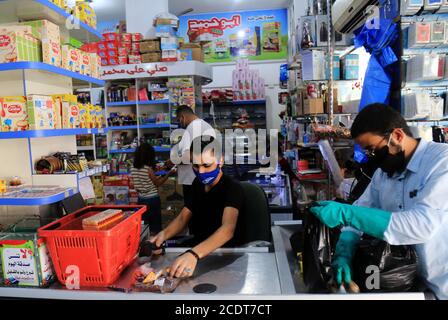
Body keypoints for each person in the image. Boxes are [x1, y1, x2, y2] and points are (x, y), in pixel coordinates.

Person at [310, 103, 448, 299]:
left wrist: (346, 213)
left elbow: (421, 225)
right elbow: (361, 210)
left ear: (397, 136)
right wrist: (344, 250)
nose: (371, 158)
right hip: (412, 284)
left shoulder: (441, 163)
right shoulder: (384, 173)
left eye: (373, 150)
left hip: (443, 285)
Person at [151, 136, 245, 278]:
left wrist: (194, 254)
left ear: (221, 161)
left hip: (225, 254)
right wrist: (162, 236)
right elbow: (183, 217)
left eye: (206, 165)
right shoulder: (197, 184)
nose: (201, 172)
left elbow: (227, 230)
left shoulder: (233, 188)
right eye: (196, 165)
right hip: (199, 250)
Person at [170, 105, 216, 200]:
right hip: (205, 177)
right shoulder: (206, 126)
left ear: (183, 117)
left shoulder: (191, 129)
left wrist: (174, 161)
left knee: (192, 209)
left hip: (192, 180)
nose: (180, 123)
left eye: (179, 120)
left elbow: (190, 157)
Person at [131, 143, 175, 234]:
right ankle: (155, 244)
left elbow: (147, 181)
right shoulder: (148, 169)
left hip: (141, 199)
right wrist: (168, 174)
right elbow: (158, 183)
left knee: (144, 225)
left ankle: (145, 242)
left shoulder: (133, 168)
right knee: (155, 226)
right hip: (152, 200)